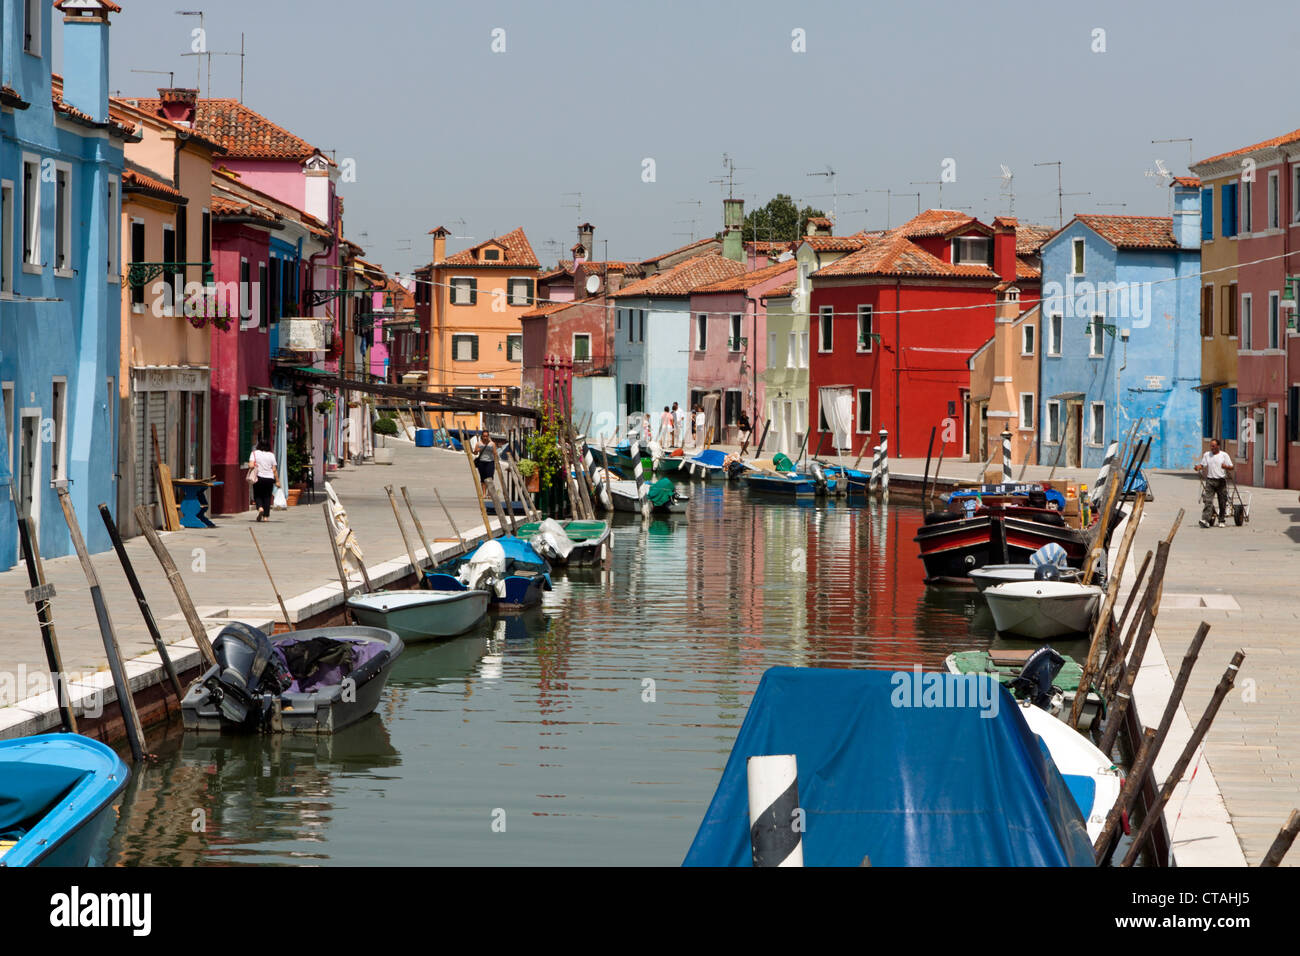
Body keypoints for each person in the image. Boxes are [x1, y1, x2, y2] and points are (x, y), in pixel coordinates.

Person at [1194, 438, 1234, 528]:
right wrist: (1198, 467)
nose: (1212, 448)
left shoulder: (1224, 455)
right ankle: (1205, 520)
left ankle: (1221, 520)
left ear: (1218, 446)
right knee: (1208, 501)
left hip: (1221, 481)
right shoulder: (1207, 455)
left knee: (1222, 501)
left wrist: (1225, 466)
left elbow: (1231, 467)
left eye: (1213, 446)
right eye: (1211, 446)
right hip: (1210, 481)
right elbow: (1203, 465)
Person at [249, 438, 278, 522]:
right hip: (269, 478)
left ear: (258, 445)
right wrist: (277, 481)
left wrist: (255, 464)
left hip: (259, 477)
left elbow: (251, 465)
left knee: (257, 495)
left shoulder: (254, 453)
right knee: (267, 497)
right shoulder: (271, 455)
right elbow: (274, 469)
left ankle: (260, 508)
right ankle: (266, 517)